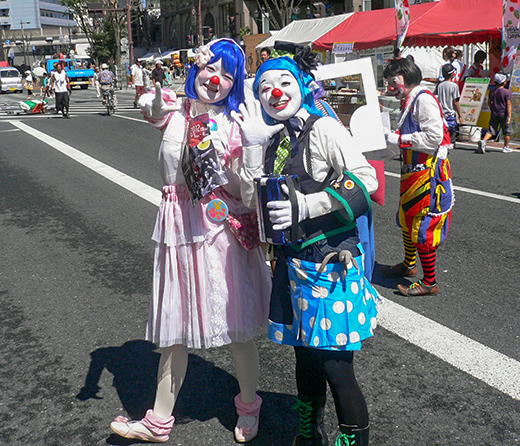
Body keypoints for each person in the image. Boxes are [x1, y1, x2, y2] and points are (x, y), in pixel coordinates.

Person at [109, 38, 271, 444]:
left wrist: (249, 148)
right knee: (174, 327)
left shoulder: (235, 123)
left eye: (226, 75)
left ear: (235, 83)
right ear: (194, 69)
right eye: (208, 68)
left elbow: (248, 194)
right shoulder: (178, 114)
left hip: (219, 230)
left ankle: (249, 406)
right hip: (177, 228)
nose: (214, 79)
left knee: (236, 329)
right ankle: (159, 421)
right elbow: (153, 110)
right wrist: (154, 99)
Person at [234, 49, 379, 446]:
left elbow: (367, 179)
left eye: (283, 83)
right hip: (291, 263)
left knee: (336, 366)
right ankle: (307, 435)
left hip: (329, 261)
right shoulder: (270, 138)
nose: (275, 93)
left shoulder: (323, 129)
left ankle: (352, 444)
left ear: (300, 86)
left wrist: (309, 204)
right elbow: (252, 199)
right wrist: (249, 145)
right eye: (265, 87)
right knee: (304, 359)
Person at [382, 57, 454, 296]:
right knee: (406, 218)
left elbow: (434, 138)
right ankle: (409, 265)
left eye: (393, 81)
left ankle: (430, 282)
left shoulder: (423, 100)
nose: (390, 87)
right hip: (413, 174)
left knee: (423, 226)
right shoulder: (409, 100)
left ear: (406, 77)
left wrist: (399, 140)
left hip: (428, 174)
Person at [477, 72, 513, 154]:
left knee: (491, 130)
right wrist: (509, 116)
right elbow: (509, 104)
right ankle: (506, 146)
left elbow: (489, 101)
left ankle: (483, 141)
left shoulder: (492, 91)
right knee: (507, 131)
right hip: (504, 114)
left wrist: (492, 108)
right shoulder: (507, 92)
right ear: (504, 82)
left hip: (494, 113)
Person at [436, 63, 462, 145]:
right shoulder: (454, 86)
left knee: (443, 135)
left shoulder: (440, 85)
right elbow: (456, 101)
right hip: (451, 114)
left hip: (442, 115)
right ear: (452, 74)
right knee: (452, 137)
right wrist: (460, 115)